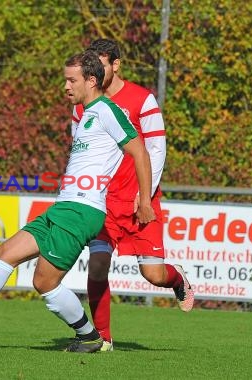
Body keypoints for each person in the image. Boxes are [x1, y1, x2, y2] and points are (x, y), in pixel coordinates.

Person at [0, 51, 156, 353]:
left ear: (91, 80)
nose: (66, 87)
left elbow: (141, 153)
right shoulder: (86, 114)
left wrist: (144, 201)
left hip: (83, 210)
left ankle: (90, 337)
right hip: (65, 206)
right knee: (6, 251)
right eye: (65, 80)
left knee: (44, 282)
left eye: (72, 80)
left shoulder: (108, 111)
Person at [72, 39, 195, 351]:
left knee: (153, 274)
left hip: (141, 199)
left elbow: (156, 149)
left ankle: (176, 280)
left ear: (116, 65)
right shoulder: (83, 105)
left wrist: (144, 195)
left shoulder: (143, 100)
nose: (96, 72)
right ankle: (103, 340)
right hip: (103, 202)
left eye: (102, 66)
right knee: (98, 264)